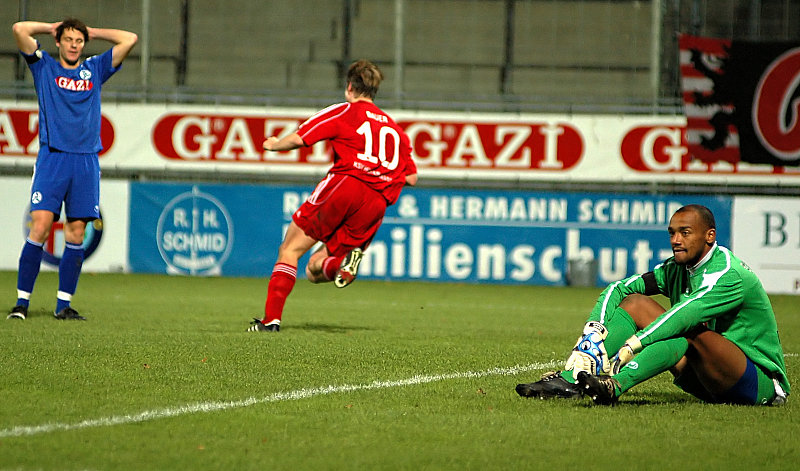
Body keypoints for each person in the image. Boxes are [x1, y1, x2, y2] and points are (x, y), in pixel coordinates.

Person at [516, 204, 790, 406]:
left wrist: (633, 345)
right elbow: (619, 289)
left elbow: (684, 316)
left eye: (685, 233)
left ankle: (614, 385)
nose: (676, 241)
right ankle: (570, 380)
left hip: (756, 383)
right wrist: (592, 334)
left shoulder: (728, 274)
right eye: (672, 233)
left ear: (709, 236)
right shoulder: (675, 269)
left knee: (686, 328)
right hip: (706, 379)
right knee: (636, 303)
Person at [247, 59, 418, 332]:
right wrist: (380, 172)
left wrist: (274, 145)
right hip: (375, 203)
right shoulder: (396, 131)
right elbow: (411, 177)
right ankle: (341, 263)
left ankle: (271, 321)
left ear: (350, 87)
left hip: (346, 185)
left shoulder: (345, 111)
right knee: (314, 270)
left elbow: (301, 138)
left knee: (290, 250)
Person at [7, 18, 137, 320]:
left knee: (77, 232)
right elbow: (19, 29)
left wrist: (94, 32)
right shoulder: (44, 67)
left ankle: (63, 305)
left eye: (79, 40)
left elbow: (129, 38)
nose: (74, 45)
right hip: (53, 157)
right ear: (58, 41)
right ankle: (22, 303)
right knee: (40, 225)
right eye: (68, 39)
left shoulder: (95, 69)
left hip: (86, 160)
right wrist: (51, 26)